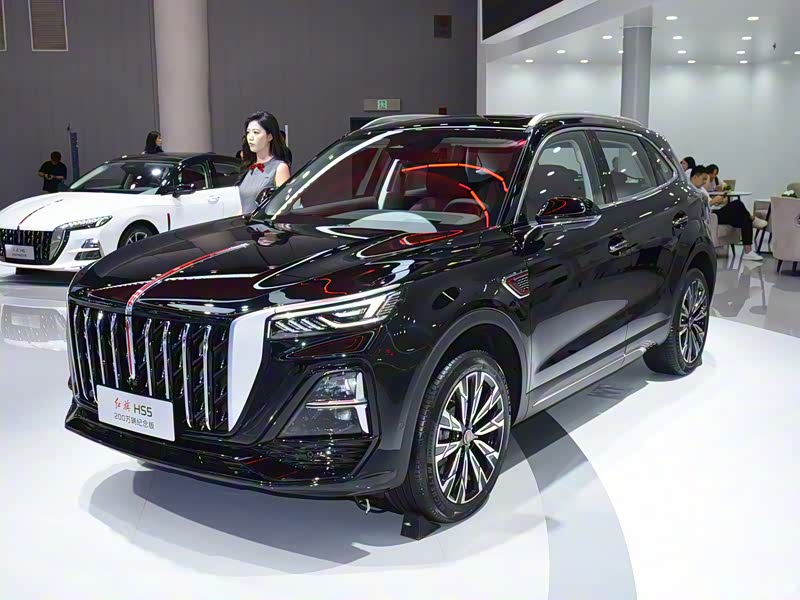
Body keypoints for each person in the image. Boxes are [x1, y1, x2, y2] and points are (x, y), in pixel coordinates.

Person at [692, 165, 766, 261]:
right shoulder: (691, 190)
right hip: (711, 216)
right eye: (703, 179)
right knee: (737, 203)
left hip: (715, 211)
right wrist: (713, 201)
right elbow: (697, 208)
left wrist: (718, 201)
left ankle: (748, 251)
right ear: (695, 177)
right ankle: (753, 219)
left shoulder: (701, 189)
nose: (705, 182)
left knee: (745, 219)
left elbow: (712, 199)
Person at [237, 111, 291, 213]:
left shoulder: (279, 168)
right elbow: (244, 207)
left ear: (270, 136)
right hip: (245, 222)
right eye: (248, 132)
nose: (250, 137)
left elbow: (283, 208)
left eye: (256, 132)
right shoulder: (250, 167)